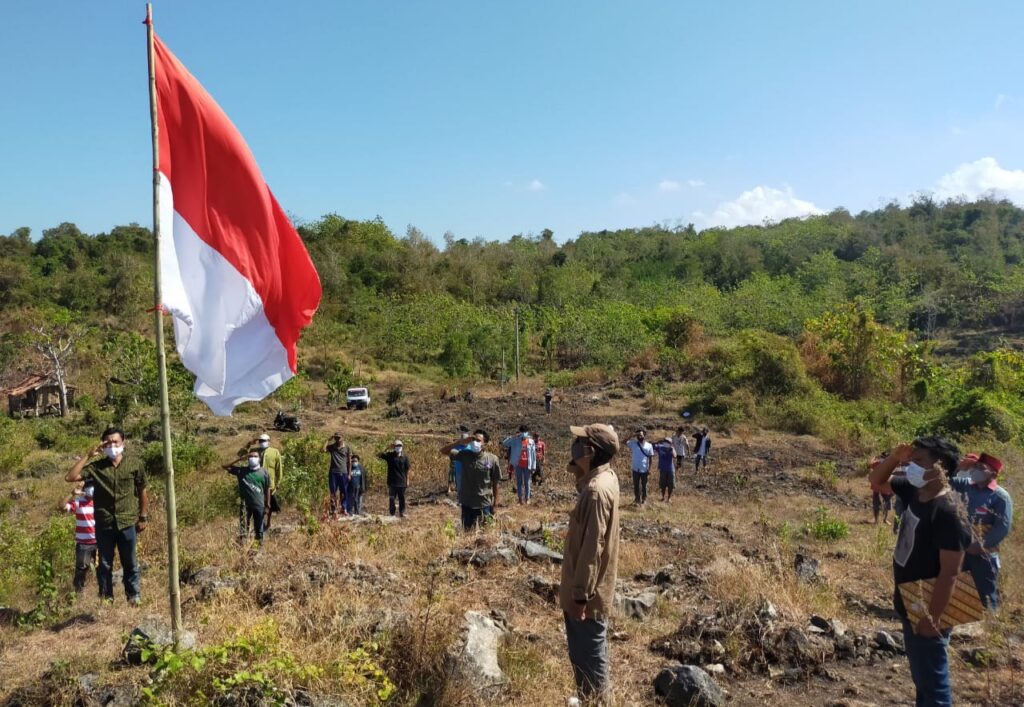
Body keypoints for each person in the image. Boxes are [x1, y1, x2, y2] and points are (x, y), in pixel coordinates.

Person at [868, 436, 971, 707]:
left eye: (918, 461)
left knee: (934, 683)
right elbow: (876, 481)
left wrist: (932, 618)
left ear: (941, 468)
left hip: (930, 604)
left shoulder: (948, 512)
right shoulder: (915, 491)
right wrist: (894, 457)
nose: (911, 466)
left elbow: (950, 572)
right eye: (911, 461)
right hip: (910, 596)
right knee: (922, 676)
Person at [561, 423, 621, 705]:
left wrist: (580, 596)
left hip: (587, 597)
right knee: (589, 658)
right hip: (592, 591)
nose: (574, 445)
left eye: (579, 441)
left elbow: (592, 548)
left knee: (589, 662)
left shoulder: (595, 491)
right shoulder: (606, 478)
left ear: (590, 450)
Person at [65, 426, 148, 605]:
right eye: (108, 443)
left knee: (130, 562)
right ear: (102, 446)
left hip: (127, 522)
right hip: (104, 524)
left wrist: (143, 517)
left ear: (123, 442)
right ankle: (106, 598)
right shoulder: (96, 468)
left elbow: (142, 490)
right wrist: (89, 455)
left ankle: (133, 597)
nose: (112, 446)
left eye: (115, 442)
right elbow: (70, 477)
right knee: (104, 564)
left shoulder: (135, 464)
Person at [950, 453, 1013, 610]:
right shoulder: (966, 485)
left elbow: (1002, 528)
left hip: (984, 553)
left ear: (993, 474)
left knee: (986, 592)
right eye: (975, 466)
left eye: (981, 468)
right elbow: (943, 480)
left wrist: (979, 546)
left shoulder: (1000, 496)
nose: (976, 470)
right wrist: (958, 467)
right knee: (961, 590)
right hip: (962, 548)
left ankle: (991, 622)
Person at [441, 429, 501, 530]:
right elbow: (443, 451)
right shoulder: (464, 455)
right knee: (467, 532)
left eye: (478, 440)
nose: (474, 442)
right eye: (473, 440)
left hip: (484, 504)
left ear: (485, 443)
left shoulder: (492, 459)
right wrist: (459, 442)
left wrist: (495, 504)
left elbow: (496, 482)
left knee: (486, 532)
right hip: (467, 504)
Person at [223, 450, 272, 547]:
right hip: (245, 505)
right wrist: (239, 459)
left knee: (259, 530)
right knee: (244, 528)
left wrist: (268, 505)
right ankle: (243, 547)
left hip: (259, 505)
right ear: (247, 459)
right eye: (250, 456)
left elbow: (268, 489)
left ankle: (257, 548)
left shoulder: (264, 472)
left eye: (255, 456)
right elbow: (224, 466)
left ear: (259, 459)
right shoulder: (241, 471)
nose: (253, 458)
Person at [60, 480, 97, 593]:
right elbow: (61, 507)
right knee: (81, 569)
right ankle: (78, 593)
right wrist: (72, 493)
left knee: (102, 569)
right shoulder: (78, 502)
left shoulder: (101, 502)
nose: (91, 489)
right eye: (88, 486)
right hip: (83, 543)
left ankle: (102, 594)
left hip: (100, 541)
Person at [252, 433, 283, 529]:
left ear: (269, 441)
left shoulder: (275, 452)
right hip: (257, 482)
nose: (262, 442)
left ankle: (268, 523)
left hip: (270, 483)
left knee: (269, 504)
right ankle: (260, 522)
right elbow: (241, 454)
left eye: (264, 441)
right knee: (258, 503)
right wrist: (249, 443)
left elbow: (279, 469)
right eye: (260, 441)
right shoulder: (254, 451)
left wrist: (278, 482)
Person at [502, 426, 537, 505]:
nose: (523, 433)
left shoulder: (531, 441)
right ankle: (520, 499)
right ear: (520, 432)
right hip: (518, 465)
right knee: (519, 483)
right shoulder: (515, 440)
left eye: (525, 431)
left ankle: (527, 499)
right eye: (522, 431)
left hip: (528, 465)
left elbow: (533, 455)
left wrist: (533, 466)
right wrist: (512, 436)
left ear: (527, 432)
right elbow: (505, 443)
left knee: (527, 482)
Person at [323, 431, 352, 520]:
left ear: (342, 438)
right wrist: (328, 440)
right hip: (333, 472)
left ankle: (344, 508)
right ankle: (334, 510)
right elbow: (323, 450)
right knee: (333, 492)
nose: (337, 439)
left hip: (343, 472)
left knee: (344, 492)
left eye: (339, 437)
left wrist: (349, 473)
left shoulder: (347, 448)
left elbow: (349, 461)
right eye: (336, 438)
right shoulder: (332, 447)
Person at [379, 440, 410, 517]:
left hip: (402, 482)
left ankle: (402, 512)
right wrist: (387, 448)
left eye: (400, 446)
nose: (398, 447)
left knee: (402, 498)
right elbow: (379, 454)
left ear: (402, 447)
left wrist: (407, 480)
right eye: (396, 446)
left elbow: (407, 470)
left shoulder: (405, 458)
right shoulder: (390, 456)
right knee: (392, 499)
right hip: (392, 482)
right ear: (394, 447)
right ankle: (392, 513)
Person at [625, 428, 654, 506]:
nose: (639, 436)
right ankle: (637, 499)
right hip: (635, 469)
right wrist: (633, 435)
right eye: (638, 435)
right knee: (636, 485)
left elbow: (651, 458)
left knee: (644, 486)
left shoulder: (649, 445)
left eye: (641, 435)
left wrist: (649, 469)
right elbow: (624, 441)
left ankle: (644, 499)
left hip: (644, 469)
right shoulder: (633, 443)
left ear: (644, 435)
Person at [869, 454, 894, 525]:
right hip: (883, 486)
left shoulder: (877, 462)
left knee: (877, 503)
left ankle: (877, 520)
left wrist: (874, 457)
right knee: (886, 502)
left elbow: (870, 464)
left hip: (879, 486)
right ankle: (883, 519)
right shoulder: (890, 463)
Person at [448, 425, 469, 495]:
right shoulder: (457, 446)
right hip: (457, 465)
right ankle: (454, 489)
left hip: (466, 467)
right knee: (454, 477)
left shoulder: (469, 447)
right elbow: (451, 454)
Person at [654, 437, 676, 502]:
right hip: (662, 469)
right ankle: (663, 497)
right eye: (665, 441)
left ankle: (669, 498)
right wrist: (658, 442)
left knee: (671, 485)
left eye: (668, 442)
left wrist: (672, 448)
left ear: (670, 443)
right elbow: (652, 445)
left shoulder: (672, 448)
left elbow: (675, 456)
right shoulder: (660, 447)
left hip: (670, 469)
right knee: (662, 484)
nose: (666, 443)